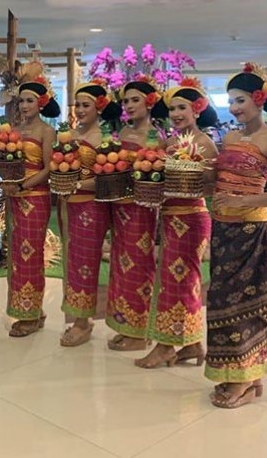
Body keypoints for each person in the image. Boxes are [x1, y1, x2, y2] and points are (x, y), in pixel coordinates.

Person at [206, 63, 267, 408]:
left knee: (244, 304)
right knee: (220, 301)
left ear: (259, 99)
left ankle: (244, 379)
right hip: (222, 228)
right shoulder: (230, 138)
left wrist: (246, 200)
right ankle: (244, 375)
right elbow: (216, 181)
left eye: (240, 100)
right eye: (230, 100)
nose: (234, 107)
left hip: (252, 232)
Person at [135, 77, 218, 367]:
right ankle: (192, 344)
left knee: (181, 281)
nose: (177, 114)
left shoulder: (205, 144)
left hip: (192, 218)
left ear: (197, 109)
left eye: (182, 107)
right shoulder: (169, 143)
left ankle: (167, 346)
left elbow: (212, 184)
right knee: (175, 281)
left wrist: (192, 175)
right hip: (169, 217)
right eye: (172, 109)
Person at [59, 79, 122, 346]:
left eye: (86, 105)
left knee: (85, 264)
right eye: (78, 105)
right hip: (68, 204)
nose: (80, 110)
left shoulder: (104, 138)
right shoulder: (71, 135)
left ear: (99, 107)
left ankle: (84, 322)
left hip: (92, 206)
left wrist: (76, 184)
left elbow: (108, 179)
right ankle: (78, 317)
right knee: (72, 261)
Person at [106, 78, 162, 351]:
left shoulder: (156, 137)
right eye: (126, 101)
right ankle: (124, 323)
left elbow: (157, 175)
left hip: (142, 208)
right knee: (121, 263)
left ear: (149, 102)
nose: (128, 105)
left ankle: (140, 332)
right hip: (121, 206)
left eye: (135, 100)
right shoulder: (124, 134)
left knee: (139, 265)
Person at [0, 76, 57, 337]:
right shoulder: (13, 129)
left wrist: (23, 186)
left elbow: (48, 168)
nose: (24, 105)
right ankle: (34, 310)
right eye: (21, 100)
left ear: (41, 103)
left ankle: (30, 316)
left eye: (30, 101)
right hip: (14, 196)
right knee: (16, 255)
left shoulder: (47, 131)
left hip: (35, 197)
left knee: (30, 255)